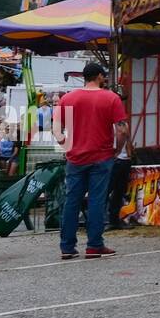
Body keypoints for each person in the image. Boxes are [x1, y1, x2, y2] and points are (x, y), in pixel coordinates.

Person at [55, 61, 128, 259]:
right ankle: (94, 245)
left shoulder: (68, 98)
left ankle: (67, 247)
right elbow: (122, 129)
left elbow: (56, 128)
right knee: (97, 200)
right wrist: (117, 150)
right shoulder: (111, 98)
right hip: (102, 156)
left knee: (72, 201)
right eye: (103, 77)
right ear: (99, 76)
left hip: (75, 157)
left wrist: (66, 146)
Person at [107, 118, 135, 229]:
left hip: (122, 160)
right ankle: (110, 220)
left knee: (118, 192)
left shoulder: (122, 124)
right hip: (117, 160)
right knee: (111, 191)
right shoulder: (115, 124)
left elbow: (126, 140)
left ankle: (113, 220)